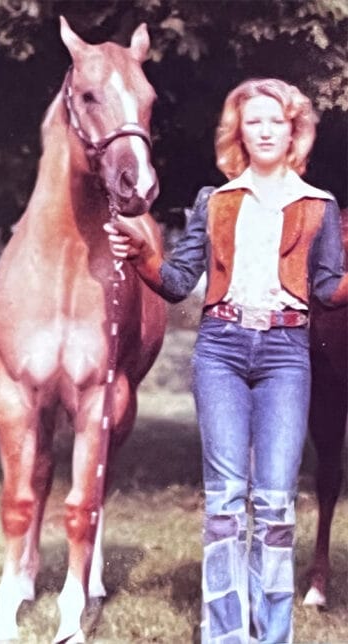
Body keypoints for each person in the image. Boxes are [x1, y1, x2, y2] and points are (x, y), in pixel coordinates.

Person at [106, 78, 347, 643]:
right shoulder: (214, 201)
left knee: (276, 503)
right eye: (253, 120)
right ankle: (225, 635)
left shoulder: (320, 206)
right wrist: (143, 254)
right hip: (221, 348)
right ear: (238, 130)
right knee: (224, 502)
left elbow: (329, 287)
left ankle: (272, 635)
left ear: (294, 131)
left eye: (275, 121)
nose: (264, 130)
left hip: (288, 354)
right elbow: (175, 281)